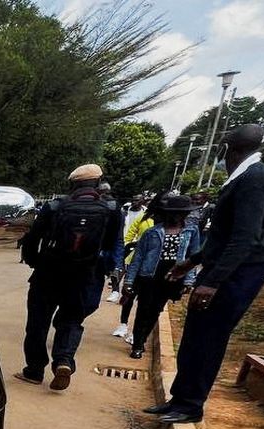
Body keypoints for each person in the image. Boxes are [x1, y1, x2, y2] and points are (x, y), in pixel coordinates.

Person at [148, 124, 264, 424]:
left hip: (237, 274)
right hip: (221, 268)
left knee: (209, 337)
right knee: (195, 335)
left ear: (230, 148)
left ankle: (190, 405)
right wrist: (192, 262)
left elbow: (245, 237)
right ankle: (180, 398)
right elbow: (224, 236)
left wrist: (213, 282)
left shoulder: (256, 178)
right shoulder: (243, 178)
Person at [15, 163, 123, 391]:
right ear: (98, 183)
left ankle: (34, 371)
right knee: (72, 320)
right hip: (85, 276)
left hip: (48, 274)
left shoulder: (54, 207)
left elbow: (32, 239)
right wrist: (102, 271)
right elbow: (113, 244)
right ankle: (64, 361)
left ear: (72, 183)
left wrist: (37, 264)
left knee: (38, 323)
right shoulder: (111, 209)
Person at [122, 195, 200, 359]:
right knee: (143, 309)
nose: (176, 216)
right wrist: (129, 281)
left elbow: (192, 258)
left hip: (172, 276)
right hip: (149, 275)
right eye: (173, 213)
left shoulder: (191, 231)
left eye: (180, 213)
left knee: (155, 310)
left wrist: (188, 280)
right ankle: (137, 345)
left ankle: (142, 340)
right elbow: (138, 257)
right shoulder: (152, 232)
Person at [112, 195, 159, 338]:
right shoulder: (144, 218)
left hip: (157, 267)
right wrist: (126, 249)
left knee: (145, 302)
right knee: (129, 294)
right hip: (136, 260)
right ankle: (123, 324)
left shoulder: (173, 225)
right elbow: (130, 234)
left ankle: (137, 333)